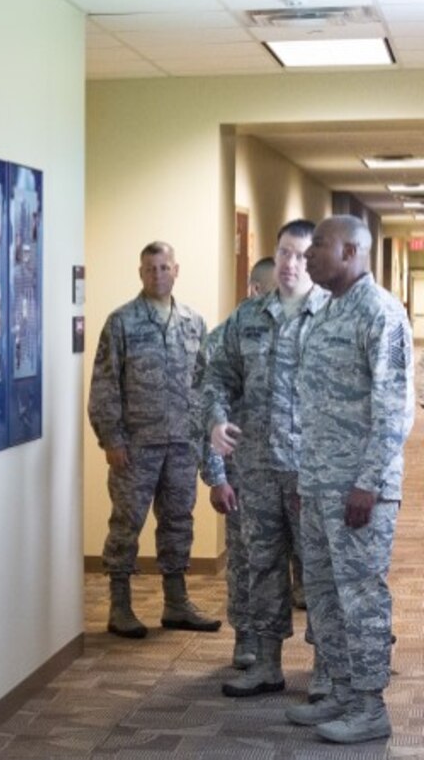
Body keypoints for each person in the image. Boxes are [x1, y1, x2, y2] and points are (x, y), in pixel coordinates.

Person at [282, 215, 413, 743]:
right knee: (324, 595)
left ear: (353, 252)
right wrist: (303, 477)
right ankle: (338, 689)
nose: (309, 255)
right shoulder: (327, 311)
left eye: (320, 247)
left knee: (360, 596)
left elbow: (393, 411)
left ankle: (368, 704)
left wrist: (369, 483)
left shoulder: (380, 314)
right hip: (317, 484)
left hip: (359, 489)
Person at [203, 220, 329, 698]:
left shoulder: (332, 316)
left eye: (300, 255)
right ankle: (267, 664)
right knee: (262, 565)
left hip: (312, 470)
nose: (291, 264)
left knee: (316, 568)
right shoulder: (248, 317)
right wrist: (215, 421)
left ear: (313, 260)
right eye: (283, 254)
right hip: (256, 468)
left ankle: (325, 669)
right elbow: (216, 377)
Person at [88, 241, 220, 638]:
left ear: (176, 270)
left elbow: (205, 384)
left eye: (164, 267)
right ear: (140, 272)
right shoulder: (121, 322)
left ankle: (176, 603)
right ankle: (120, 605)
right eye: (150, 268)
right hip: (135, 445)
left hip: (182, 442)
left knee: (179, 521)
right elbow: (104, 384)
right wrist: (111, 437)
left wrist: (205, 436)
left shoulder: (193, 322)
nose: (157, 275)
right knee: (127, 523)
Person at [196, 255, 276, 670]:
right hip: (244, 471)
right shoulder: (225, 338)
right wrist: (216, 477)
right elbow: (208, 411)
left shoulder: (303, 329)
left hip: (292, 472)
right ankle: (245, 636)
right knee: (246, 559)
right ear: (255, 289)